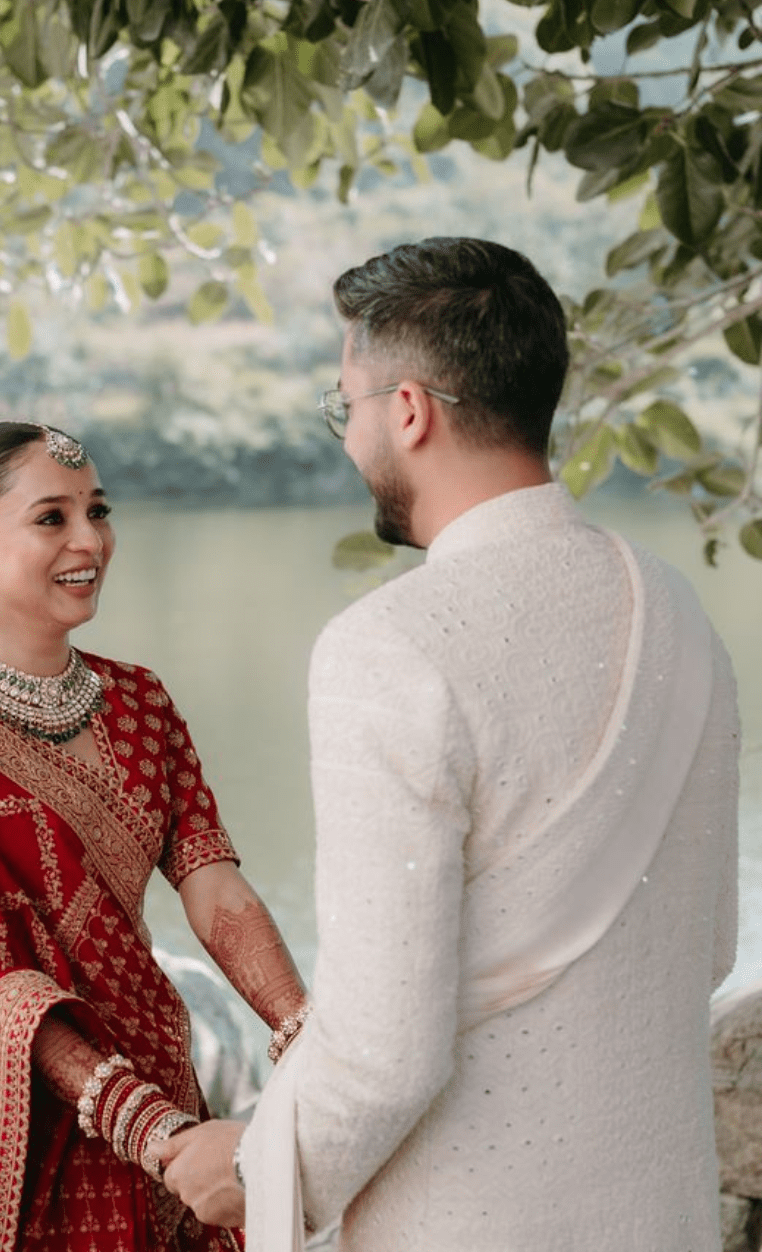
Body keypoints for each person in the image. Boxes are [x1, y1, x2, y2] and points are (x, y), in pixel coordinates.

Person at [161, 237, 740, 1250]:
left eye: (348, 406)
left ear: (410, 410)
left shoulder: (388, 649)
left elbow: (386, 1051)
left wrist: (255, 1167)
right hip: (662, 1211)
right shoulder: (682, 614)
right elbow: (710, 946)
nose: (348, 440)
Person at [0, 421, 309, 1252]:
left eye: (98, 510)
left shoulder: (140, 702)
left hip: (165, 1087)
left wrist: (302, 1031)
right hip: (35, 1126)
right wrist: (154, 1133)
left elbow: (213, 884)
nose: (91, 540)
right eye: (51, 518)